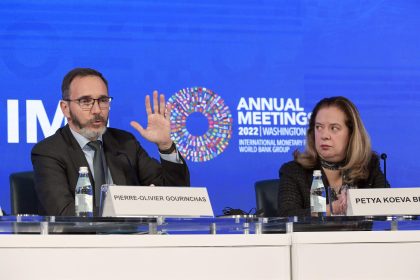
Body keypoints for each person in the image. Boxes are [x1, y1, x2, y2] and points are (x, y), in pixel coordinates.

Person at [31, 67, 190, 216]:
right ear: (65, 108)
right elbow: (64, 214)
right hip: (80, 244)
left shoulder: (125, 143)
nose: (97, 110)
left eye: (103, 100)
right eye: (85, 101)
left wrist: (166, 146)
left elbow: (174, 197)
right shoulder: (48, 152)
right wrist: (131, 209)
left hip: (134, 240)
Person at [277, 96, 389, 217]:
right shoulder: (295, 171)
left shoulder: (369, 167)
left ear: (351, 134)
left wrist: (357, 204)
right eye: (319, 127)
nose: (324, 135)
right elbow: (287, 216)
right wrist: (331, 209)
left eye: (334, 128)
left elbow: (388, 206)